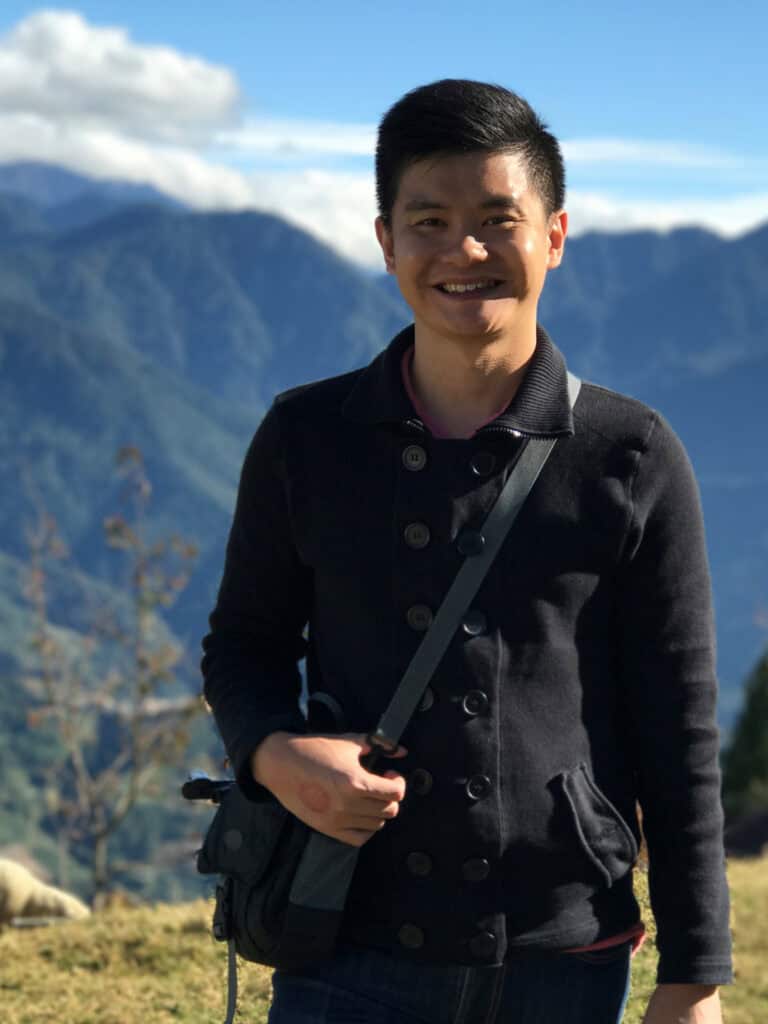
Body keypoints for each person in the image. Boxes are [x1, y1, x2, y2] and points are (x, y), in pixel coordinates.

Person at [202, 79, 732, 1023]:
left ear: (556, 235)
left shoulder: (631, 454)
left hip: (562, 953)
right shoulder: (305, 439)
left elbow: (678, 731)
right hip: (343, 935)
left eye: (498, 220)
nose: (465, 252)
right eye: (431, 221)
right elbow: (241, 645)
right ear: (385, 240)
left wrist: (696, 976)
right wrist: (276, 756)